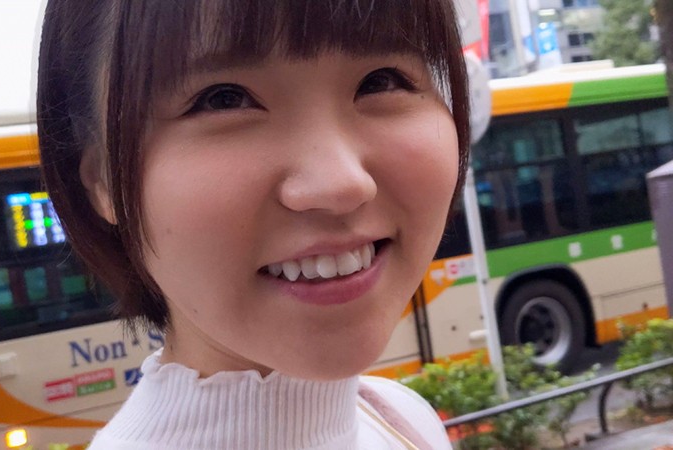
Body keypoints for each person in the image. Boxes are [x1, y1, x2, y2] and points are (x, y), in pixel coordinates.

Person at [37, 1, 469, 449]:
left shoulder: (401, 417)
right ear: (102, 181)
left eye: (382, 80)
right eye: (223, 98)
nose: (341, 183)